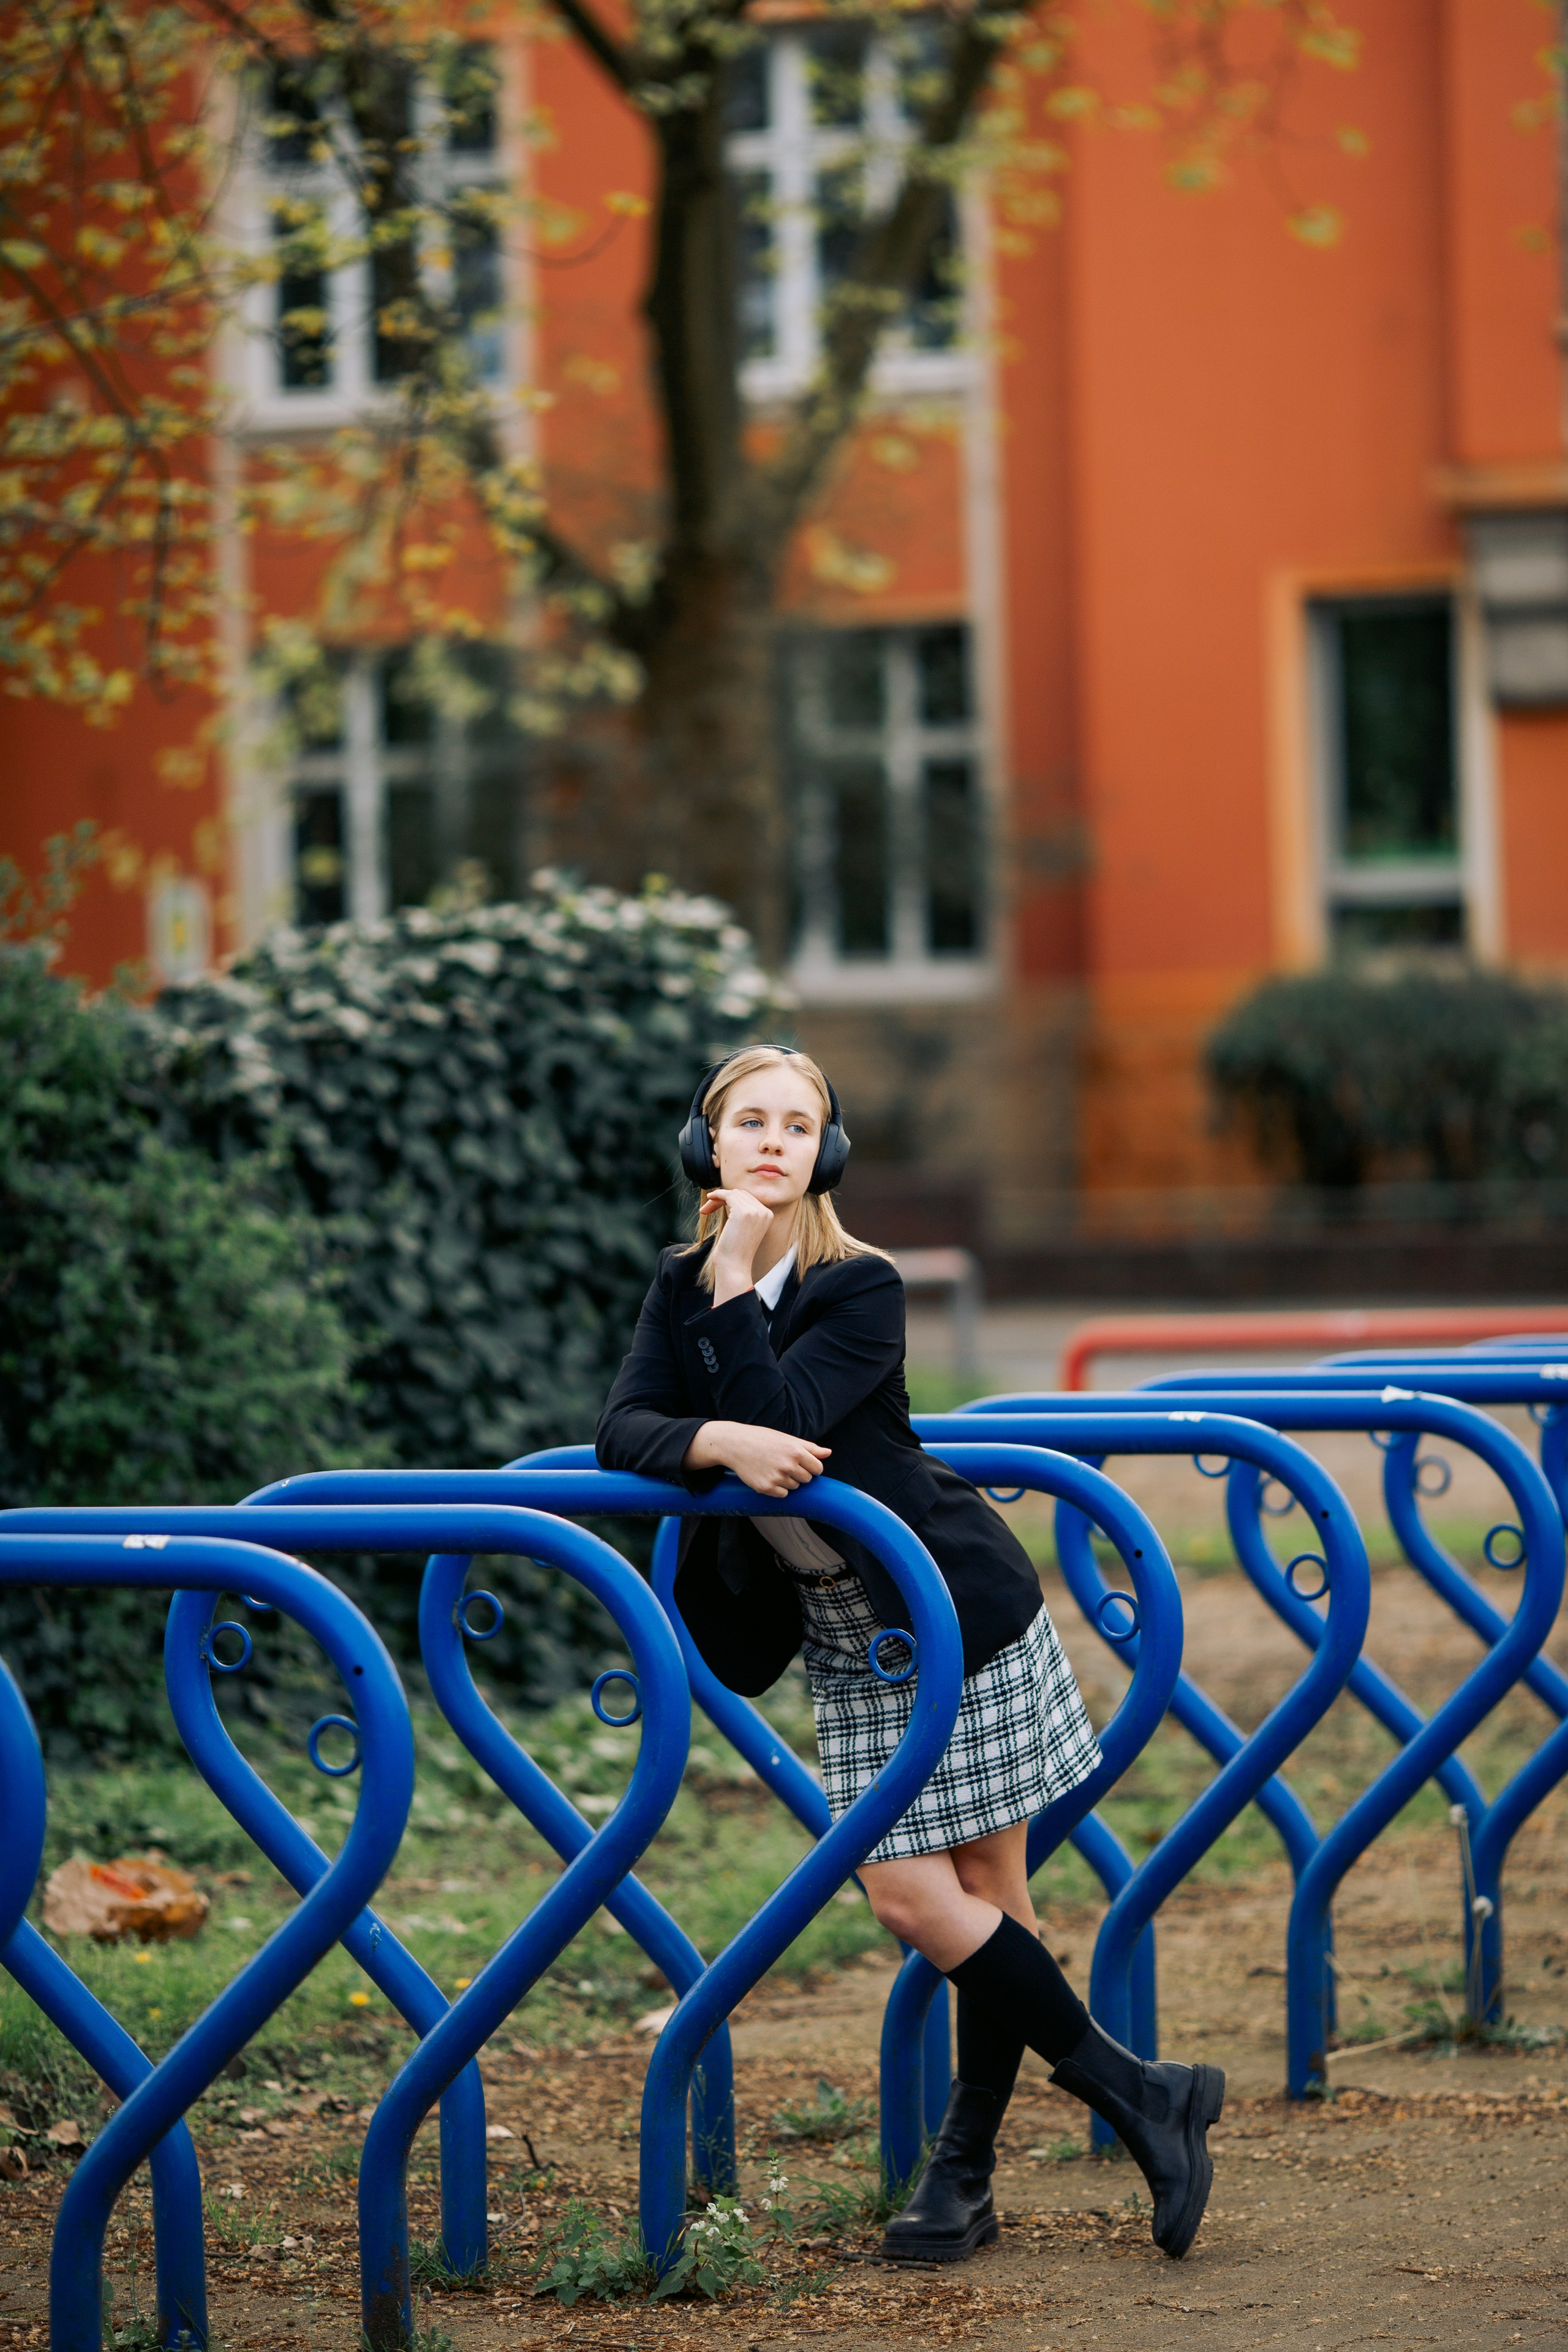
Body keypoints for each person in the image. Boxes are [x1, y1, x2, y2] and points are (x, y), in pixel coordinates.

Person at [596, 1044, 1223, 2264]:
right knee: (972, 1910)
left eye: (797, 1122)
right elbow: (623, 1428)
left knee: (924, 1896)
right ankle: (1122, 2104)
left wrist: (733, 1307)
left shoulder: (857, 1285)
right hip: (842, 1640)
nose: (772, 1140)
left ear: (824, 1153)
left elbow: (795, 1428)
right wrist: (715, 1431)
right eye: (748, 1121)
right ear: (706, 1145)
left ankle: (981, 2164)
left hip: (953, 1610)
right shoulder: (677, 1284)